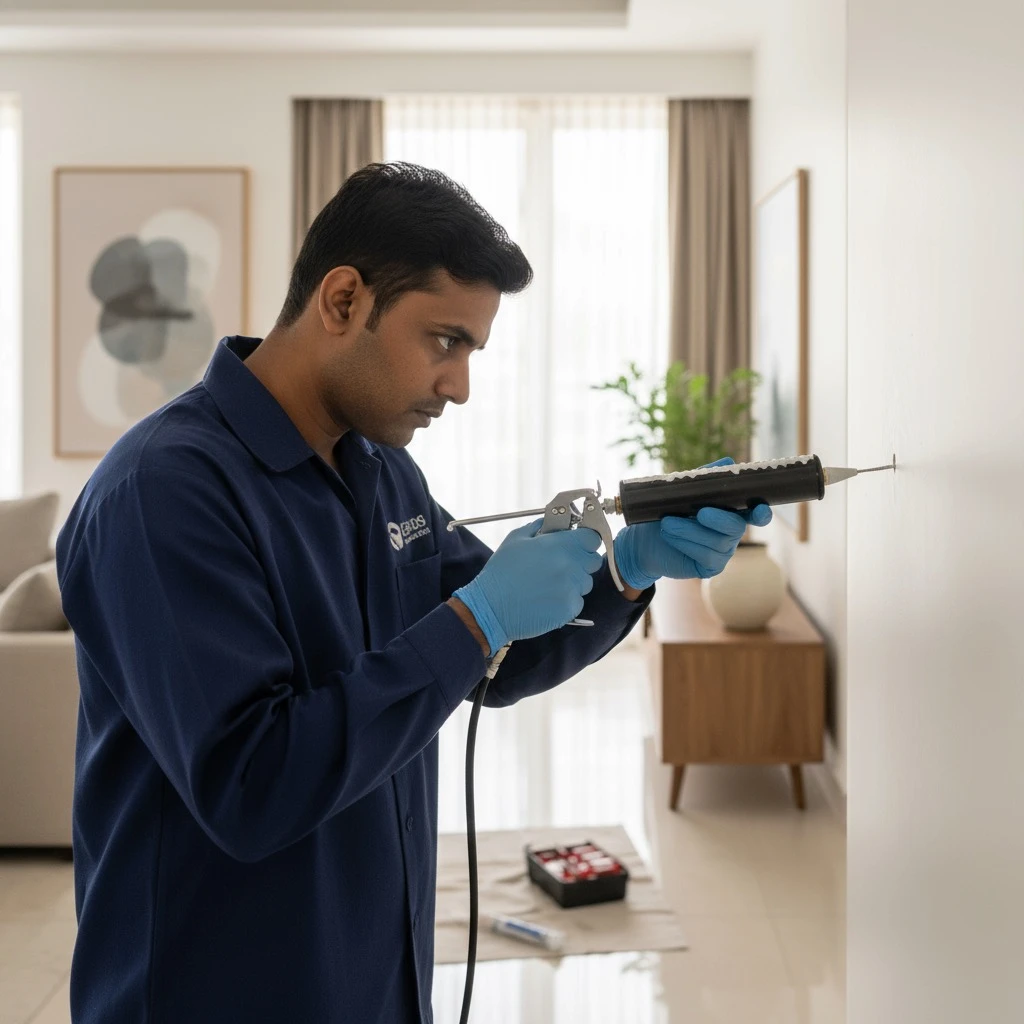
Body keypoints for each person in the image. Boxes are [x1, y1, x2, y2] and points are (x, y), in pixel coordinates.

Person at [56, 162, 771, 1023]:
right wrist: (476, 618)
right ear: (343, 300)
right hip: (212, 991)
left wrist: (628, 569)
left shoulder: (381, 471)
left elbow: (495, 657)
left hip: (375, 978)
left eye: (470, 351)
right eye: (444, 341)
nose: (459, 385)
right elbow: (252, 784)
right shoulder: (163, 492)